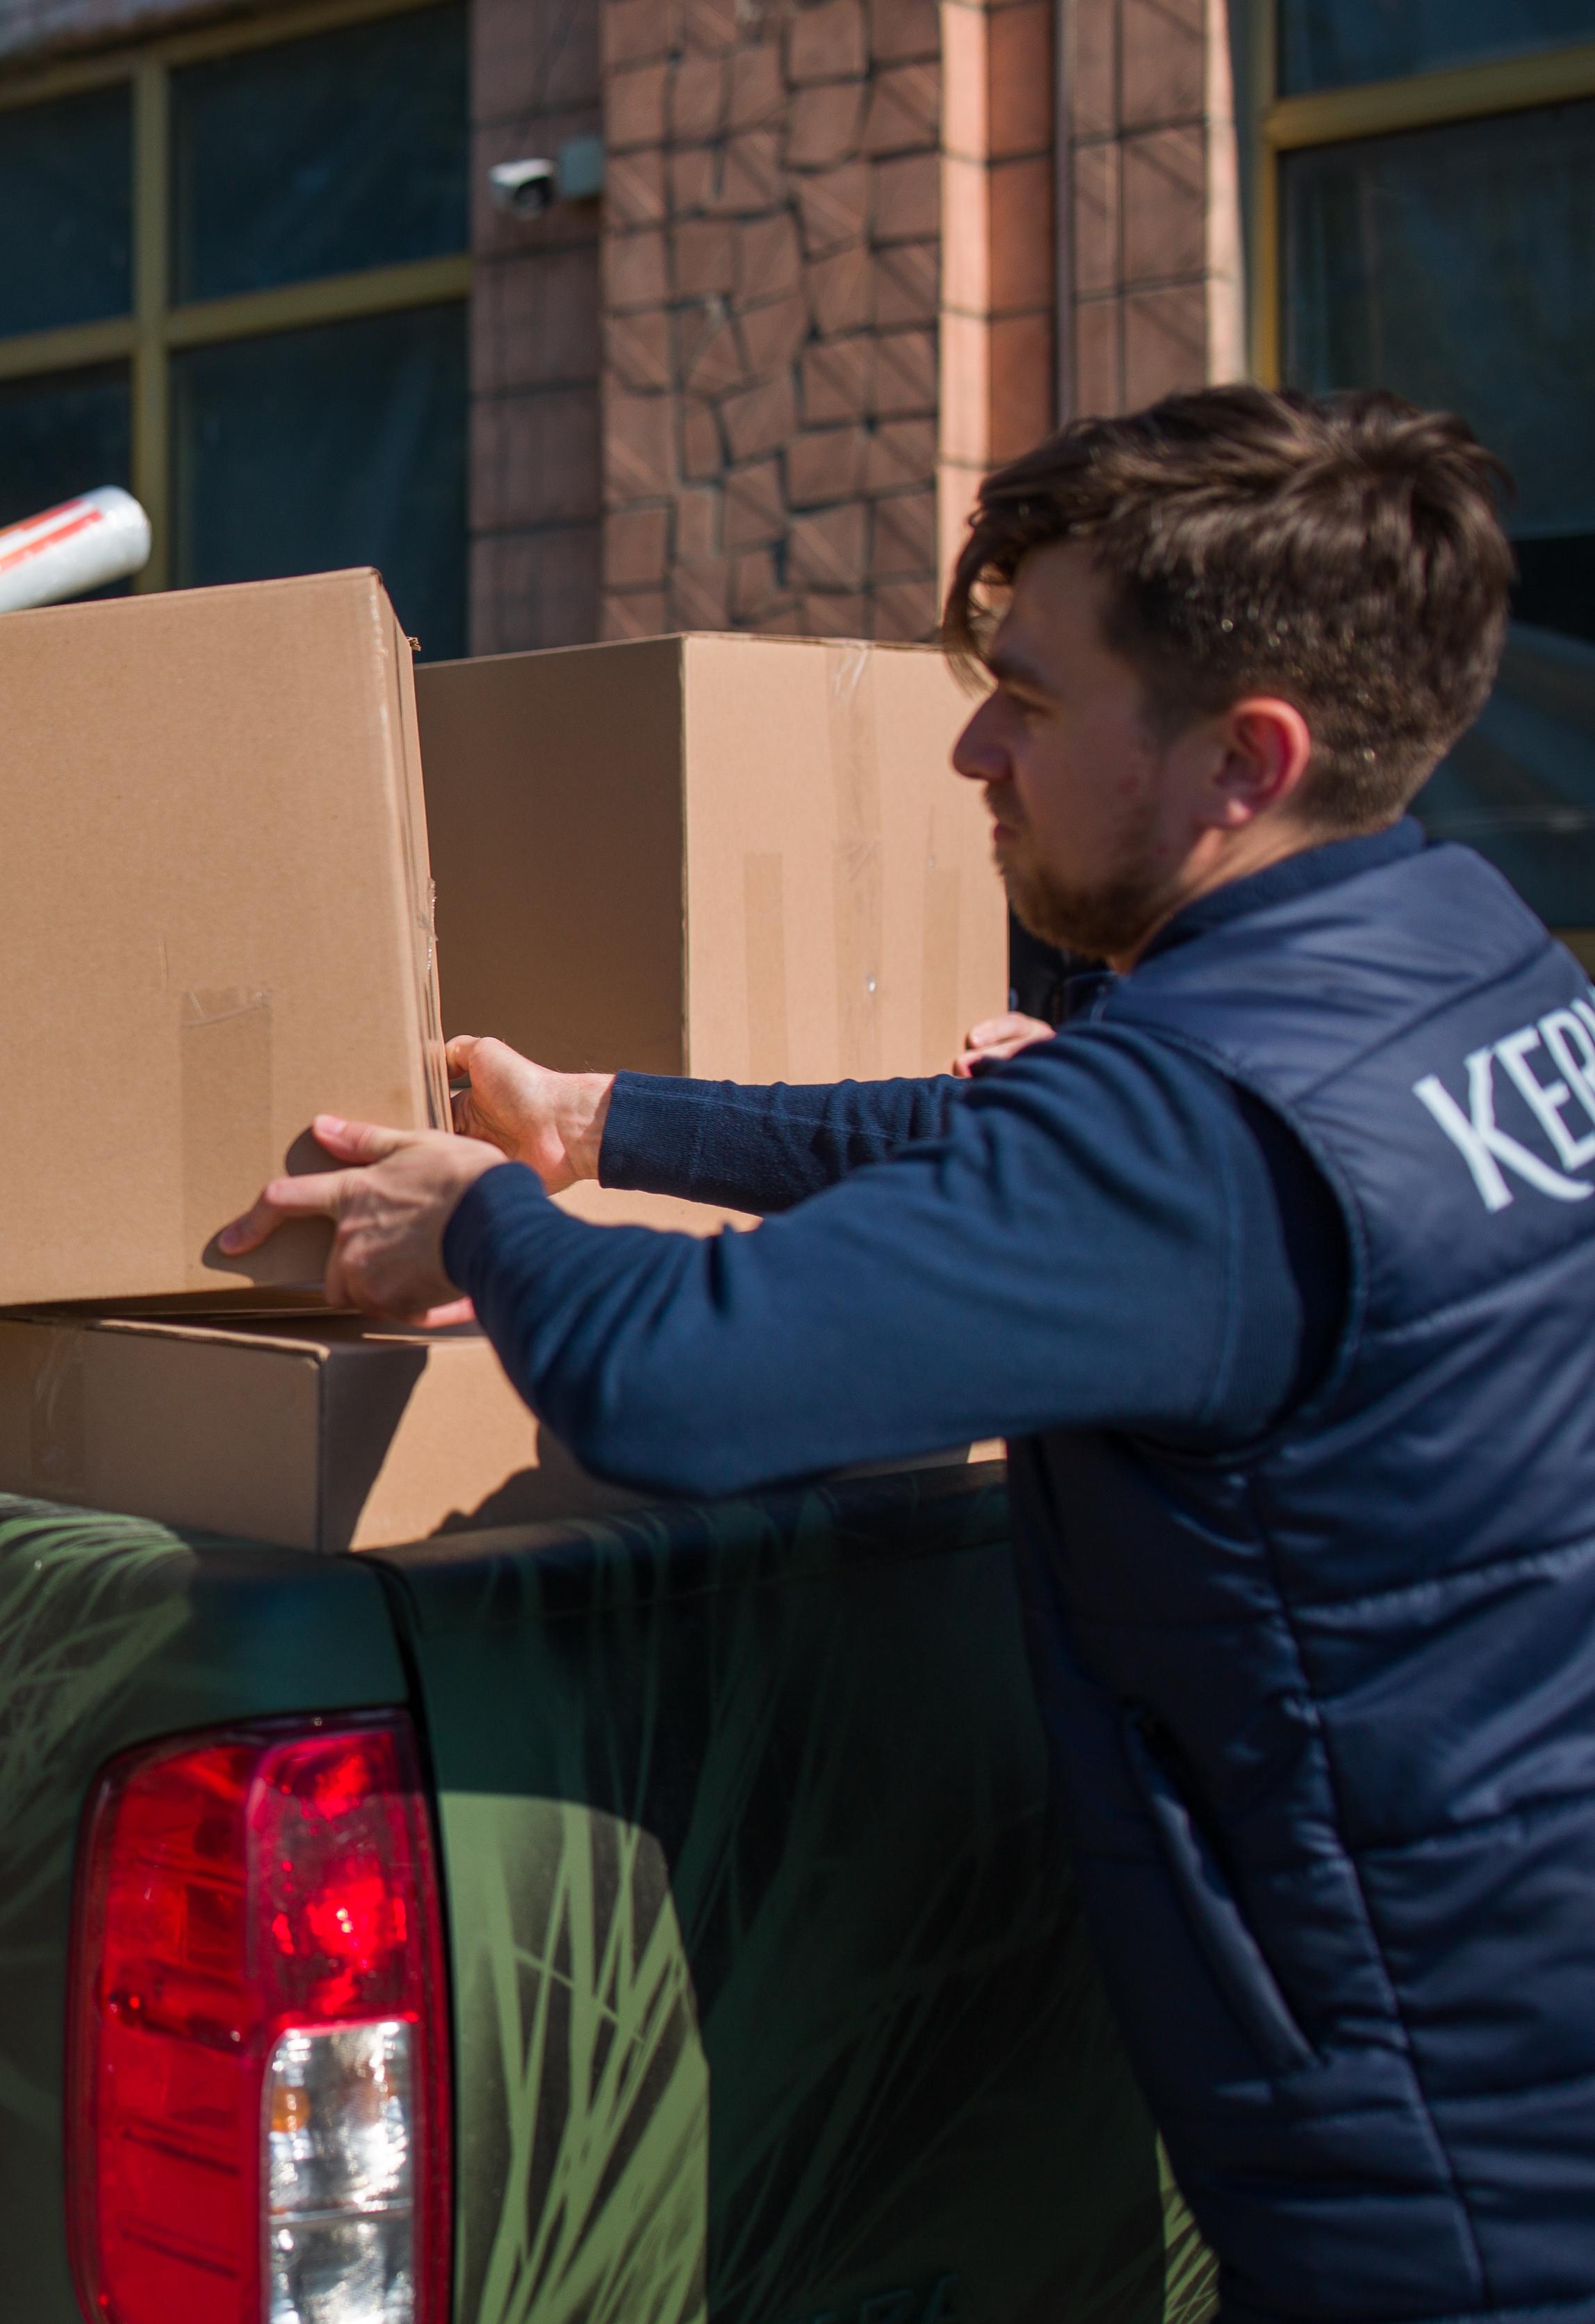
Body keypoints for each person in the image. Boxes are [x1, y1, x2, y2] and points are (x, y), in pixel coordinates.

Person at [221, 387, 1594, 2320]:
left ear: (1242, 759)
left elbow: (683, 1383)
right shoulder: (1461, 954)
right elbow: (1026, 1156)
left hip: (1448, 2158)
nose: (971, 747)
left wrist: (474, 1219)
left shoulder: (1195, 1130)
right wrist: (597, 1125)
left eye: (1028, 698)